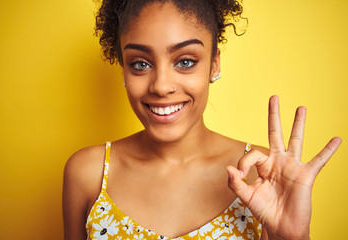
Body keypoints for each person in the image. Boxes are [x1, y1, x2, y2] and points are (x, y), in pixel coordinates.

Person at [62, 0, 342, 239]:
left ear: (214, 63)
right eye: (140, 64)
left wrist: (291, 238)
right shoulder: (88, 174)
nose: (161, 86)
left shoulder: (262, 175)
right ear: (123, 68)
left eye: (185, 61)